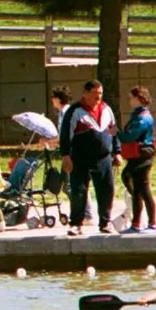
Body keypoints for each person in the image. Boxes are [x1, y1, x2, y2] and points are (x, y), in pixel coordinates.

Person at [60, 79, 119, 235]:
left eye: (100, 93)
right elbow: (65, 134)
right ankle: (76, 224)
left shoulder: (107, 109)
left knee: (107, 189)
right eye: (95, 93)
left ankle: (105, 222)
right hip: (80, 158)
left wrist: (117, 152)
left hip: (103, 158)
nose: (98, 97)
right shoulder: (74, 111)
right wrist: (65, 155)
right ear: (85, 93)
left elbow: (113, 130)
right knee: (79, 190)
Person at [118, 85, 156, 232]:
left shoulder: (143, 118)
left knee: (142, 190)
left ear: (139, 98)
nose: (129, 101)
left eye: (131, 98)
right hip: (138, 156)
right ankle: (139, 223)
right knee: (137, 189)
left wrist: (117, 133)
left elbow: (130, 136)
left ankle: (148, 223)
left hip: (141, 156)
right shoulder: (139, 116)